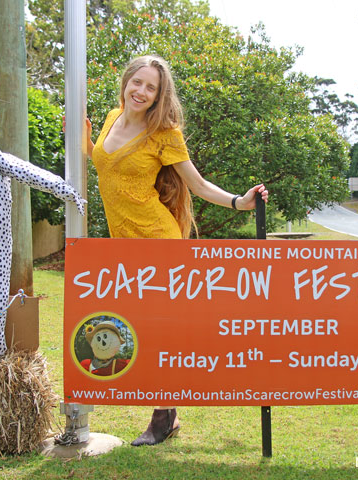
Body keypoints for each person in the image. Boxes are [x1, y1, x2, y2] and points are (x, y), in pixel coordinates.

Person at [86, 54, 268, 446]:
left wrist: (239, 202)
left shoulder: (164, 134)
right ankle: (167, 414)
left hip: (157, 243)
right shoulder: (111, 117)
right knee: (139, 329)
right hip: (125, 246)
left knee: (156, 332)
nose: (141, 92)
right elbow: (108, 165)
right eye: (137, 82)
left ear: (158, 96)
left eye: (151, 88)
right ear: (126, 81)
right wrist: (83, 142)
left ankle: (162, 418)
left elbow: (198, 185)